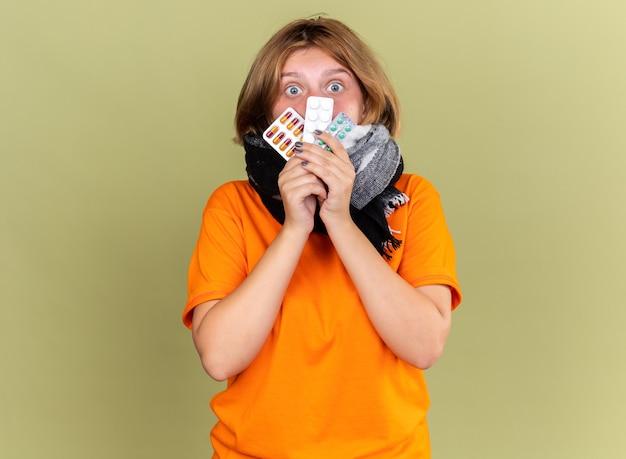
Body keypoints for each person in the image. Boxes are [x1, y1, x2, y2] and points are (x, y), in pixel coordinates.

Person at [182, 16, 462, 458]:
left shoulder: (413, 199)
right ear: (268, 113)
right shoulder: (232, 206)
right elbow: (219, 357)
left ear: (366, 104)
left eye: (335, 87)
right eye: (292, 89)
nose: (316, 104)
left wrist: (340, 220)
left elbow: (425, 346)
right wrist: (295, 227)